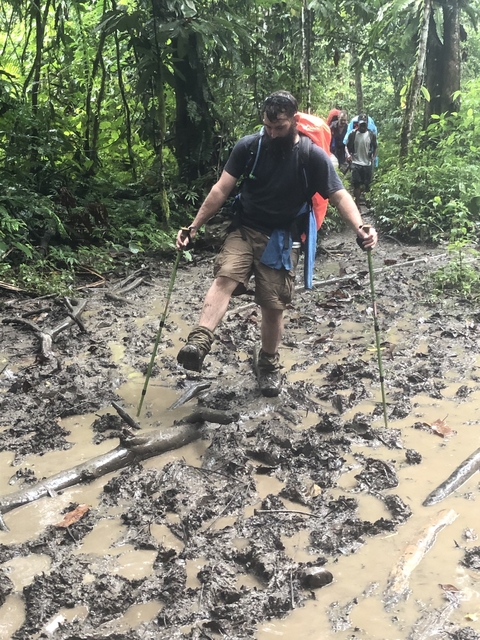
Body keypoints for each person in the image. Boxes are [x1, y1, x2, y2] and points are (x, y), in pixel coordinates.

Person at [176, 90, 378, 397]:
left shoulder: (311, 155)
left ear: (294, 121)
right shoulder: (249, 146)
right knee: (225, 277)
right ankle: (199, 342)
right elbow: (221, 190)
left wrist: (361, 227)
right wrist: (193, 226)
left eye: (279, 127)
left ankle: (268, 365)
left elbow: (338, 196)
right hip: (245, 228)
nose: (272, 133)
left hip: (283, 237)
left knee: (273, 305)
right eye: (268, 127)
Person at [345, 114, 378, 208]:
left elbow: (375, 147)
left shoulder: (371, 135)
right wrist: (348, 155)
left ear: (367, 125)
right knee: (357, 184)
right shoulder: (353, 134)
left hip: (367, 163)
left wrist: (373, 157)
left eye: (364, 125)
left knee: (367, 184)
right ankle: (357, 204)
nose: (363, 127)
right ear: (358, 124)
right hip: (356, 163)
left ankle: (367, 203)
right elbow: (346, 147)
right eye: (361, 125)